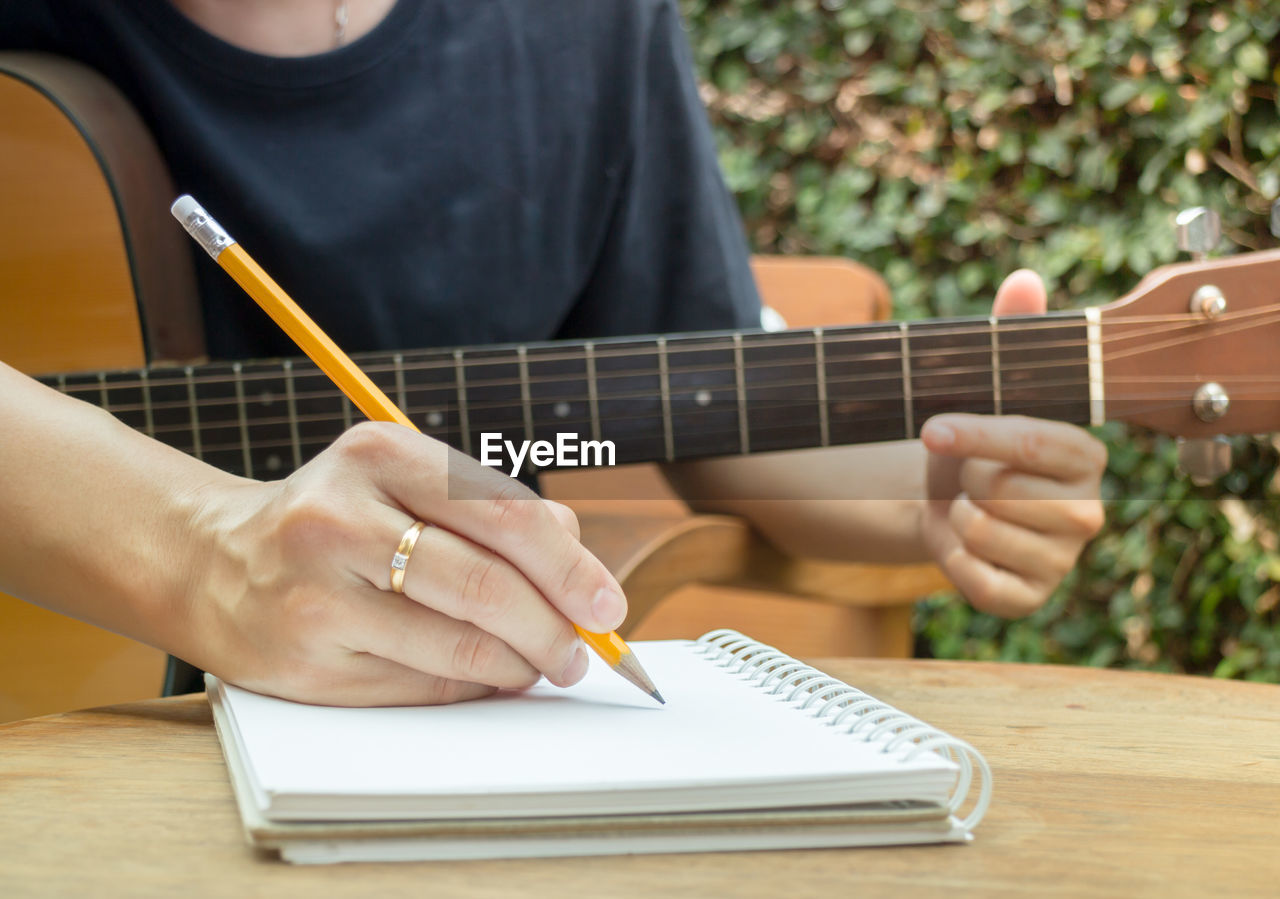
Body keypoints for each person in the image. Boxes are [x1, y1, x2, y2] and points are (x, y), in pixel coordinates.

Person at [0, 0, 1107, 706]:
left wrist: (928, 480)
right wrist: (202, 549)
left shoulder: (585, 26)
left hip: (451, 733)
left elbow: (683, 391)